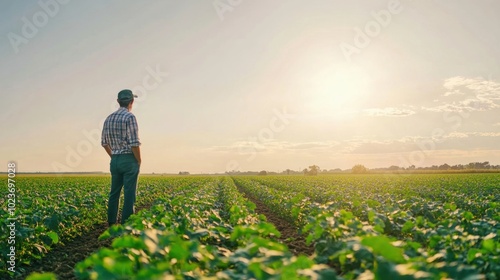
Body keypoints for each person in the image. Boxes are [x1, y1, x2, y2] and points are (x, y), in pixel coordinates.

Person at [101, 89, 142, 226]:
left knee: (114, 193)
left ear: (118, 102)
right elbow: (134, 143)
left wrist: (114, 156)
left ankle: (112, 222)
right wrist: (138, 160)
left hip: (115, 159)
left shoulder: (108, 118)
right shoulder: (130, 117)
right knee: (129, 194)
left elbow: (104, 143)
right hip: (129, 159)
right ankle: (127, 224)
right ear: (132, 102)